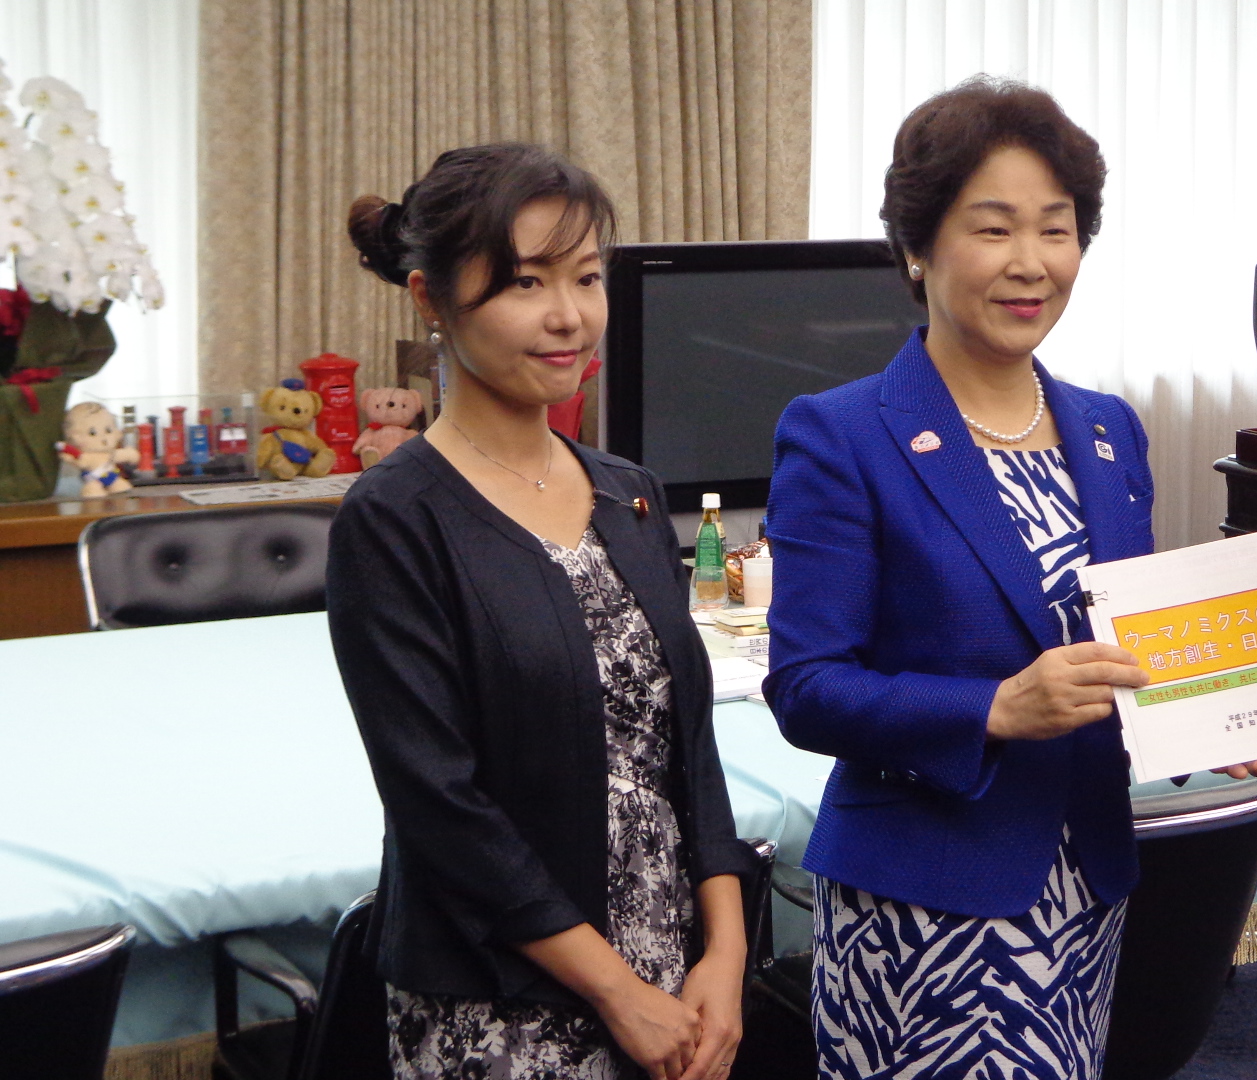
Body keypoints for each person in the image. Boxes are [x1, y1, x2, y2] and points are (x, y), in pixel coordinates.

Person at [329, 143, 755, 1080]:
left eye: (588, 277)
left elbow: (689, 747)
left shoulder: (630, 494)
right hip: (502, 1000)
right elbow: (440, 804)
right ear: (430, 301)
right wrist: (615, 991)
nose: (569, 316)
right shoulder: (396, 517)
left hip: (677, 984)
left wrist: (725, 954)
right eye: (525, 283)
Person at [763, 77, 1159, 1079]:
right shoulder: (842, 433)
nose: (1031, 263)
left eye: (1056, 230)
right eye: (993, 229)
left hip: (1082, 891)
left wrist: (1227, 697)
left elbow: (1133, 644)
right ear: (918, 246)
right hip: (924, 904)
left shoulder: (1110, 431)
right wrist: (995, 709)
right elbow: (807, 688)